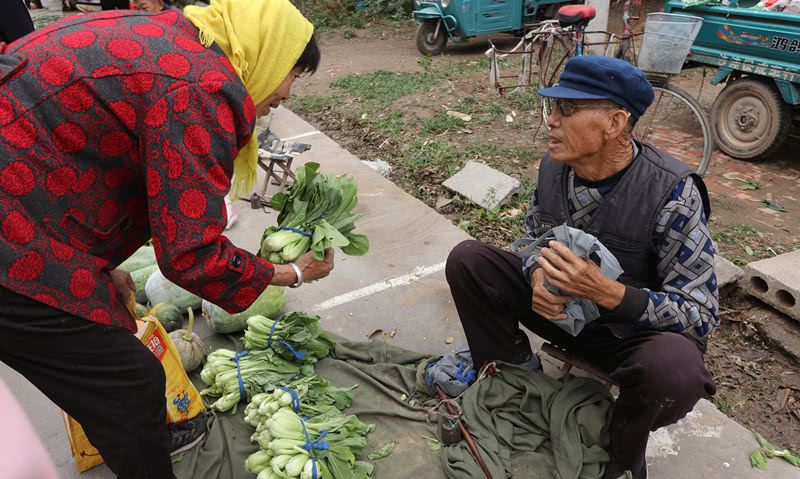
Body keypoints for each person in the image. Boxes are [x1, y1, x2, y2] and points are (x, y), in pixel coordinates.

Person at [0, 1, 329, 477]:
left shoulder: (180, 39)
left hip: (30, 199)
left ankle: (132, 436)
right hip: (14, 244)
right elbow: (190, 254)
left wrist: (102, 261)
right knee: (129, 384)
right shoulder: (201, 89)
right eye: (292, 74)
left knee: (108, 374)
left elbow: (82, 147)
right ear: (268, 53)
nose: (286, 94)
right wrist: (291, 272)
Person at [445, 56, 718, 479]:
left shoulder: (673, 193)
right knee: (469, 260)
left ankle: (618, 451)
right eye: (552, 108)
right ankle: (516, 384)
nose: (551, 120)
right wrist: (536, 272)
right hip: (563, 317)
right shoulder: (554, 167)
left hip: (628, 340)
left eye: (567, 110)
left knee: (674, 370)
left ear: (615, 121)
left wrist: (608, 292)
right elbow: (531, 239)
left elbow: (699, 313)